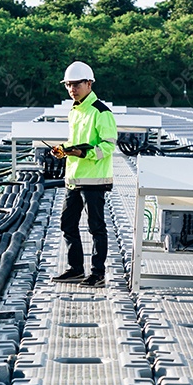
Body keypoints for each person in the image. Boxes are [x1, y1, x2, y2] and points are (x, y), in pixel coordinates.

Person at [51, 61, 118, 287]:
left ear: (89, 83)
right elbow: (76, 142)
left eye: (76, 84)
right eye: (68, 85)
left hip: (94, 180)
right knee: (67, 225)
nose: (71, 89)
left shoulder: (101, 112)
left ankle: (97, 274)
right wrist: (64, 150)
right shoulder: (75, 111)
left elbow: (109, 146)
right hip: (74, 179)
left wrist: (82, 153)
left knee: (96, 227)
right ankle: (76, 269)